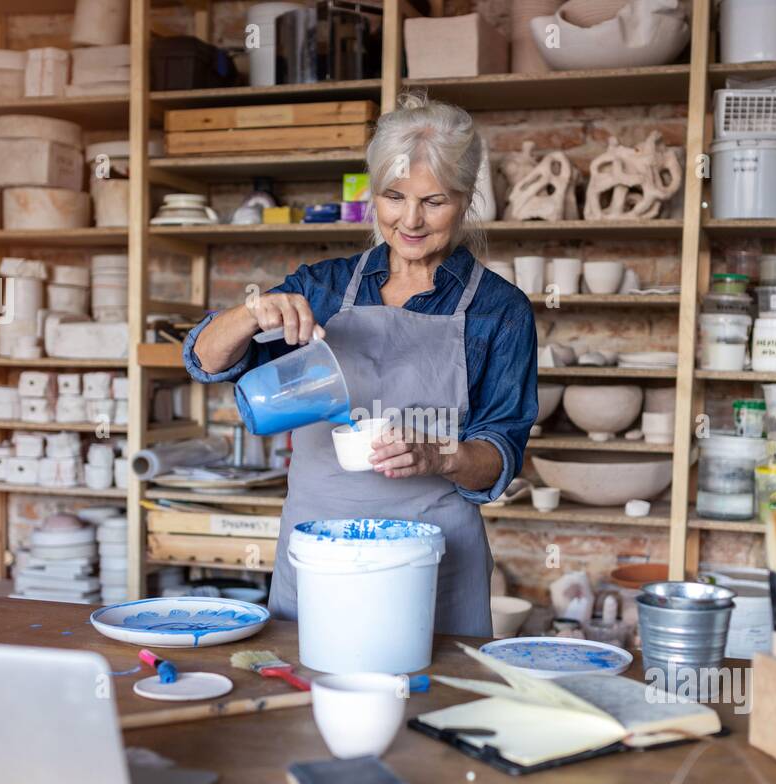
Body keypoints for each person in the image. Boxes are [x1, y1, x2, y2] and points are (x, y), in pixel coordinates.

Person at [185, 93, 537, 637]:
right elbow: (204, 359)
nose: (411, 221)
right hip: (319, 555)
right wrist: (253, 313)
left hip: (434, 559)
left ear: (467, 199)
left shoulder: (499, 309)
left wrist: (438, 454)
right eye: (394, 197)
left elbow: (500, 456)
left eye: (434, 201)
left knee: (428, 705)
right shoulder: (322, 287)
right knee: (305, 704)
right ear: (374, 193)